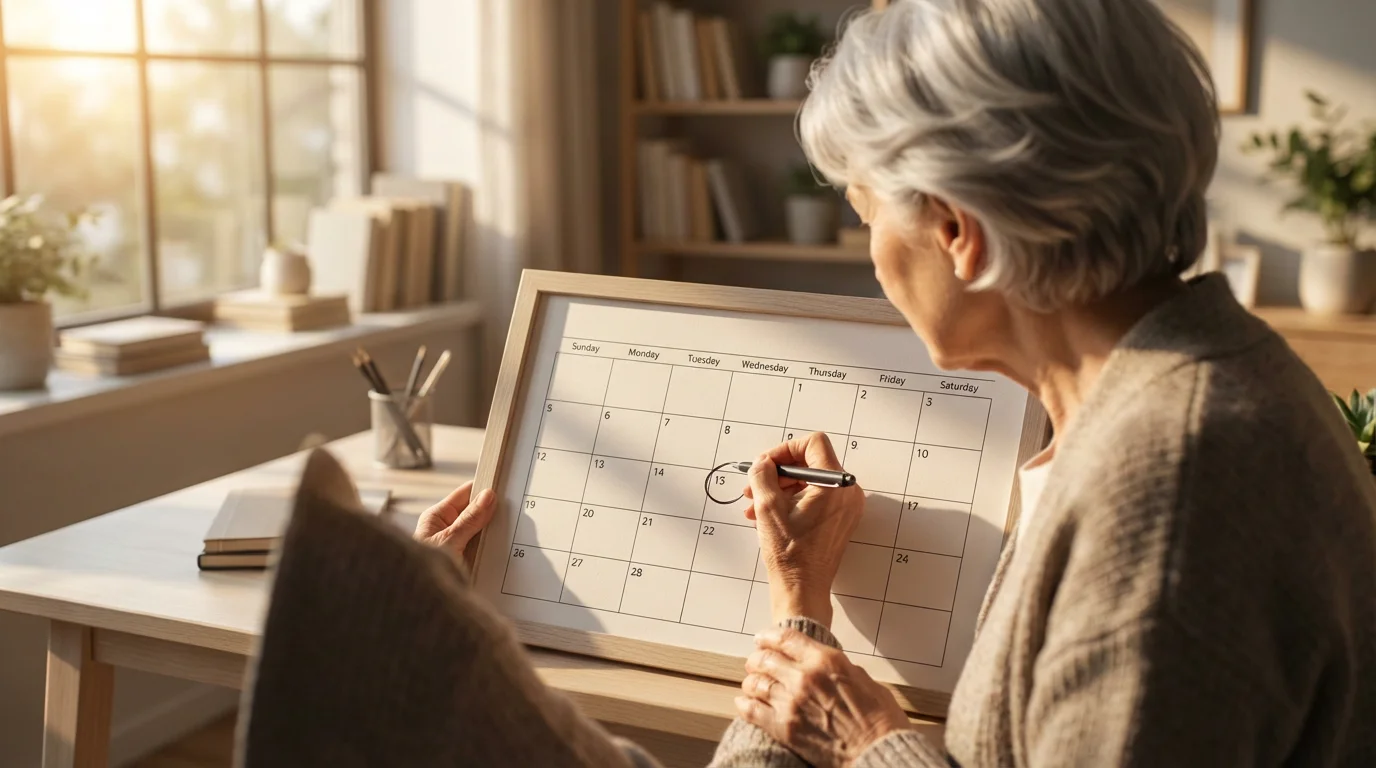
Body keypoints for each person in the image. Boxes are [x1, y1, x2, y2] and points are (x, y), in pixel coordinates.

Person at [410, 0, 1376, 764]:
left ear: (958, 232)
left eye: (867, 213)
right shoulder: (1157, 392)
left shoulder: (1172, 486)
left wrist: (870, 744)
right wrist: (801, 612)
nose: (871, 255)